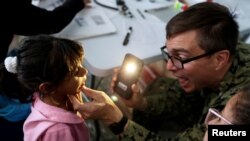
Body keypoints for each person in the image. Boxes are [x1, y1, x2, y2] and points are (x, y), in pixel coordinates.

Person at [68, 2, 250, 141]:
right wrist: (142, 103)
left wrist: (115, 118)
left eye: (180, 56)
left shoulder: (237, 116)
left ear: (220, 59)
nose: (170, 66)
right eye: (169, 54)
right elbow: (186, 97)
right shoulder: (228, 50)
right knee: (160, 87)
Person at [0, 0, 91, 140]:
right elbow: (51, 22)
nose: (85, 72)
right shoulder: (60, 132)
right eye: (75, 72)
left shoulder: (44, 94)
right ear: (47, 87)